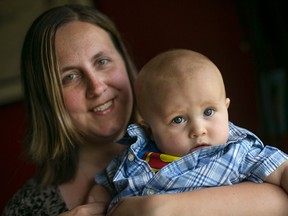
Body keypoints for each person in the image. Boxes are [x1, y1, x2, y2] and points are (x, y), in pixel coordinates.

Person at [2, 4, 288, 216]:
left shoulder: (227, 144)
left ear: (125, 64)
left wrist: (159, 207)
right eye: (70, 77)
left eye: (102, 62)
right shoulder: (27, 208)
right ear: (46, 97)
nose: (97, 86)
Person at [92, 49, 288, 211]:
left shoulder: (238, 151)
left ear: (226, 108)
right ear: (150, 130)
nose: (198, 129)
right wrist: (97, 207)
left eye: (209, 111)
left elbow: (282, 169)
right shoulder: (134, 156)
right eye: (178, 119)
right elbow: (103, 187)